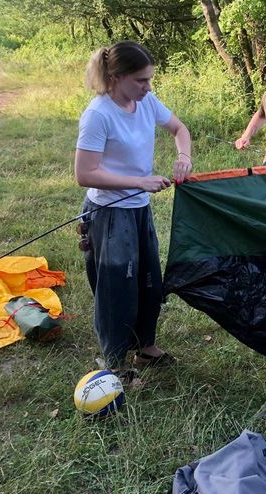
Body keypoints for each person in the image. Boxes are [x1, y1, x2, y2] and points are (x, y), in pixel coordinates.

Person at [74, 40, 193, 377]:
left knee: (148, 280)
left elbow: (179, 129)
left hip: (138, 209)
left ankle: (146, 347)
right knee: (116, 286)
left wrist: (183, 156)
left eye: (150, 79)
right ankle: (112, 362)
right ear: (116, 77)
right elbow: (85, 174)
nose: (147, 87)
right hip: (109, 213)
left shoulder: (146, 102)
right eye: (141, 80)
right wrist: (139, 182)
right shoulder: (98, 115)